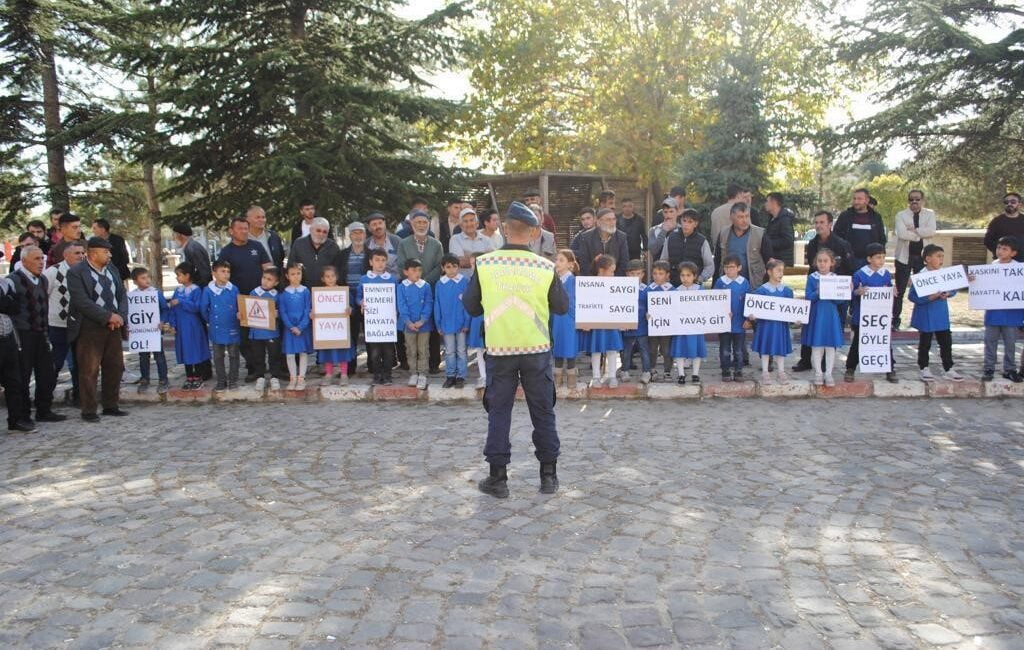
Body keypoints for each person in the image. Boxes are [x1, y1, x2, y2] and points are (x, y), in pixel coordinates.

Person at [463, 201, 567, 498]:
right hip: (536, 349)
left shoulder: (485, 264)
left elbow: (470, 307)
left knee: (499, 413)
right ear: (535, 232)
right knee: (543, 411)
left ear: (506, 229)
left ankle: (498, 479)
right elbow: (562, 307)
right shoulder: (546, 267)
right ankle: (549, 476)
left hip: (500, 349)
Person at [67, 236, 129, 422]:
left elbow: (122, 294)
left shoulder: (112, 269)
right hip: (89, 328)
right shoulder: (77, 272)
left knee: (115, 367)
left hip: (114, 326)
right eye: (105, 252)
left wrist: (120, 317)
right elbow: (81, 301)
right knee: (89, 370)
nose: (109, 254)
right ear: (93, 253)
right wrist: (107, 316)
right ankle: (89, 410)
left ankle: (111, 405)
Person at [7, 244, 66, 424]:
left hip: (41, 333)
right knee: (22, 377)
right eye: (36, 259)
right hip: (22, 335)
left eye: (42, 259)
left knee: (46, 374)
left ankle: (44, 410)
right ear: (24, 261)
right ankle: (22, 415)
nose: (41, 263)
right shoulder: (13, 280)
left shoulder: (42, 280)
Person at [794, 210, 854, 372]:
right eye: (816, 222)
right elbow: (811, 268)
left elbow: (850, 269)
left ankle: (826, 363)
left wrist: (846, 288)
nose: (819, 225)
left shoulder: (842, 244)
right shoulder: (812, 244)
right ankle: (805, 360)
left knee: (835, 326)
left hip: (837, 296)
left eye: (822, 222)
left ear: (830, 224)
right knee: (810, 325)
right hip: (816, 291)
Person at [216, 216, 273, 382]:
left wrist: (271, 286)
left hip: (260, 298)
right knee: (244, 337)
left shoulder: (257, 246)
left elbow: (268, 268)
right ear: (231, 231)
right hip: (239, 300)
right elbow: (223, 276)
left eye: (246, 228)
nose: (244, 231)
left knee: (263, 335)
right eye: (240, 229)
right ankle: (253, 367)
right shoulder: (226, 252)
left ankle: (268, 367)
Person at [396, 210, 444, 374]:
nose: (421, 225)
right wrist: (413, 279)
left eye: (424, 222)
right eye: (418, 222)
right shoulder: (404, 244)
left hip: (430, 289)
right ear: (412, 224)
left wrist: (423, 281)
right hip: (409, 290)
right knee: (409, 325)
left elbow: (440, 266)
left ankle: (433, 363)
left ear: (428, 224)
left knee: (431, 324)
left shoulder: (437, 244)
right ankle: (408, 364)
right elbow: (401, 264)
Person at [844, 243, 898, 384]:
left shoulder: (885, 274)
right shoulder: (859, 274)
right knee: (857, 344)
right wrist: (857, 292)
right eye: (878, 257)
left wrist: (893, 291)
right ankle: (850, 368)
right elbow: (851, 292)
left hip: (880, 318)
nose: (881, 260)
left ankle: (890, 368)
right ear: (869, 259)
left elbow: (889, 288)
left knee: (884, 343)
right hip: (862, 317)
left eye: (883, 257)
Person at [910, 244, 964, 383]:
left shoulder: (944, 274)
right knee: (925, 343)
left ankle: (948, 368)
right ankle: (924, 367)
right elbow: (912, 296)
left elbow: (953, 290)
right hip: (926, 315)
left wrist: (949, 293)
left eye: (942, 257)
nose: (941, 260)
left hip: (941, 315)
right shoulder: (920, 277)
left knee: (946, 342)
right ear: (928, 259)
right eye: (938, 256)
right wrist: (930, 297)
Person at [972, 236, 1023, 382]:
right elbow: (982, 287)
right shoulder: (991, 268)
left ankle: (1010, 369)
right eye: (999, 248)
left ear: (1013, 253)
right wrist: (974, 280)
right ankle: (989, 369)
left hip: (1012, 315)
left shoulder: (1019, 269)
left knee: (1010, 344)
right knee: (990, 342)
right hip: (993, 314)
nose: (1000, 251)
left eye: (1005, 249)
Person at [43, 239, 85, 404]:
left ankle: (79, 397)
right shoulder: (53, 272)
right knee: (55, 363)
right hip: (58, 326)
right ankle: (45, 400)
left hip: (79, 326)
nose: (81, 256)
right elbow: (42, 295)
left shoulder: (86, 271)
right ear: (65, 255)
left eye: (83, 253)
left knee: (79, 363)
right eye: (77, 253)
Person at [892, 189, 936, 329]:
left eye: (917, 199)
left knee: (923, 290)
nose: (914, 202)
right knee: (899, 290)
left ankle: (922, 321)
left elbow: (931, 231)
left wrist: (913, 230)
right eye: (911, 199)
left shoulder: (930, 214)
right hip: (904, 257)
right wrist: (919, 233)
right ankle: (895, 320)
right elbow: (901, 234)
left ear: (922, 200)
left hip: (923, 258)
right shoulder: (901, 215)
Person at [802, 250, 845, 387]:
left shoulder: (836, 278)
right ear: (816, 263)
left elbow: (839, 301)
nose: (822, 264)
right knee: (817, 345)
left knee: (830, 346)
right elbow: (808, 297)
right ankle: (818, 373)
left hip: (830, 315)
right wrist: (817, 292)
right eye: (819, 261)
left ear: (831, 263)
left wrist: (845, 291)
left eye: (825, 261)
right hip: (816, 314)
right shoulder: (812, 278)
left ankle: (829, 373)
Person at [747, 259, 794, 385]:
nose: (781, 273)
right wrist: (752, 315)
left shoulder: (786, 291)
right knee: (766, 347)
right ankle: (765, 372)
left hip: (780, 326)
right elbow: (755, 308)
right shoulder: (762, 290)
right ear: (769, 272)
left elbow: (792, 310)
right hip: (766, 325)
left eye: (782, 271)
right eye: (778, 270)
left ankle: (781, 371)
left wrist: (797, 318)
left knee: (781, 347)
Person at [582, 254, 625, 388]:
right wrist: (585, 322)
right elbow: (585, 304)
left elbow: (623, 304)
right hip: (596, 324)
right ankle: (595, 377)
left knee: (612, 350)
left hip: (612, 323)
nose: (613, 274)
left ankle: (612, 376)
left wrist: (625, 322)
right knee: (596, 350)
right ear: (601, 270)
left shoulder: (616, 285)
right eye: (611, 271)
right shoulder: (589, 284)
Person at [357, 248, 398, 385]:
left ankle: (387, 374)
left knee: (388, 350)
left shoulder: (392, 280)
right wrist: (361, 302)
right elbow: (358, 296)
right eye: (377, 260)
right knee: (374, 351)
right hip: (372, 322)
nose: (380, 263)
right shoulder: (364, 279)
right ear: (370, 262)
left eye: (383, 260)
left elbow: (396, 298)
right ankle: (376, 374)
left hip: (387, 322)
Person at [168, 262, 210, 390]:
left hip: (192, 326)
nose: (177, 278)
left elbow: (197, 307)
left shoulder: (196, 290)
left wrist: (181, 301)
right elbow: (172, 309)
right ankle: (189, 376)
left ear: (187, 275)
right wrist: (172, 324)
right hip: (181, 326)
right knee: (185, 350)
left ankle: (198, 376)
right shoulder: (178, 290)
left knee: (194, 350)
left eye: (179, 275)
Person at [1, 274, 35, 432]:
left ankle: (15, 420)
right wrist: (6, 301)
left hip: (7, 337)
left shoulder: (5, 284)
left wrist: (6, 301)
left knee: (13, 381)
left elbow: (15, 306)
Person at [202, 260, 241, 391]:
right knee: (218, 356)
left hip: (232, 326)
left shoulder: (234, 289)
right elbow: (203, 308)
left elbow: (239, 306)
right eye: (222, 271)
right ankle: (221, 380)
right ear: (214, 273)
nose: (226, 274)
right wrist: (211, 320)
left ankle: (233, 380)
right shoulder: (208, 291)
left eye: (228, 272)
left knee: (234, 355)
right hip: (216, 327)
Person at [129, 267, 170, 393]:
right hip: (141, 332)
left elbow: (165, 309)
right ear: (135, 281)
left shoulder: (155, 293)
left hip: (154, 330)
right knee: (143, 356)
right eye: (143, 278)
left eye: (148, 277)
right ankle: (145, 379)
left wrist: (162, 321)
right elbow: (130, 313)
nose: (147, 280)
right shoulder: (132, 296)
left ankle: (163, 379)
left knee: (159, 356)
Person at [714, 202, 774, 289]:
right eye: (740, 217)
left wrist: (768, 285)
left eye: (747, 216)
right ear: (732, 217)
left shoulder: (760, 234)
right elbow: (717, 260)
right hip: (727, 285)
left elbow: (769, 262)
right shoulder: (724, 233)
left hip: (754, 285)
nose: (745, 220)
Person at [397, 258, 433, 390]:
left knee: (423, 349)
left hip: (424, 325)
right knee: (411, 349)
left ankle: (423, 373)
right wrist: (408, 322)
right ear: (406, 272)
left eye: (419, 270)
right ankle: (413, 373)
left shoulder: (426, 286)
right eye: (413, 270)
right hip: (408, 325)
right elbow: (401, 305)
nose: (417, 273)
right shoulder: (401, 287)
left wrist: (422, 320)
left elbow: (429, 304)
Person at [434, 255, 470, 389]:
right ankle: (450, 376)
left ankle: (461, 376)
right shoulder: (440, 284)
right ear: (443, 268)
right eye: (448, 267)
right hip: (446, 323)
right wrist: (438, 323)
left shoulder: (464, 282)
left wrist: (466, 323)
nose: (452, 270)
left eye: (455, 266)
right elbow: (437, 304)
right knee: (449, 351)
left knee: (461, 350)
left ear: (459, 267)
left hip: (461, 323)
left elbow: (467, 303)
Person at [277, 261, 313, 390]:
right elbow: (283, 311)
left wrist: (301, 326)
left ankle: (301, 378)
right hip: (290, 328)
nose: (296, 276)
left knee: (303, 353)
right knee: (290, 353)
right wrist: (290, 326)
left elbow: (307, 309)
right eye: (293, 274)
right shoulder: (283, 293)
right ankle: (292, 378)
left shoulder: (305, 291)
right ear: (287, 276)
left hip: (303, 327)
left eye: (299, 273)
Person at [248, 267, 285, 391]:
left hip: (271, 332)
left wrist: (277, 314)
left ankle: (274, 376)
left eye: (269, 279)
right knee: (258, 356)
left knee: (274, 356)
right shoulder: (254, 293)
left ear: (276, 283)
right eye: (264, 278)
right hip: (257, 332)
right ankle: (260, 376)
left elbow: (282, 311)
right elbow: (248, 308)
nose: (265, 281)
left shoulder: (277, 296)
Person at [337, 221, 367, 377]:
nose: (358, 236)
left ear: (365, 234)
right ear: (350, 235)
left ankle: (374, 366)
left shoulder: (371, 253)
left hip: (367, 299)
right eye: (354, 233)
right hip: (348, 297)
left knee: (370, 333)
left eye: (360, 232)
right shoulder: (342, 254)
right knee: (351, 334)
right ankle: (350, 367)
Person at [670, 262, 707, 385]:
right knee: (679, 350)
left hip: (696, 326)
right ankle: (681, 374)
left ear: (694, 276)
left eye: (688, 275)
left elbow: (709, 307)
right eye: (682, 275)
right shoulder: (675, 291)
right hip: (680, 327)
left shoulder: (700, 290)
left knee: (697, 350)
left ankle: (695, 374)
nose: (685, 278)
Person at [316, 266, 354, 386]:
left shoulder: (343, 292)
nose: (330, 279)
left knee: (343, 349)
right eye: (327, 276)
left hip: (340, 328)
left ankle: (344, 374)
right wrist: (313, 314)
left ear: (336, 277)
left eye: (332, 276)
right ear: (323, 279)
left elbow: (351, 306)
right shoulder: (319, 294)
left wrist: (350, 310)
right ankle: (328, 374)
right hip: (327, 330)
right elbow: (315, 309)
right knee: (328, 349)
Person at [713, 255, 748, 382]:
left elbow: (748, 302)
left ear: (739, 268)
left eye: (732, 267)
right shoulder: (720, 282)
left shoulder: (744, 282)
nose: (729, 270)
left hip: (739, 323)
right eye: (726, 267)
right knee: (725, 349)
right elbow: (714, 300)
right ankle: (725, 370)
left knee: (738, 350)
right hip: (724, 324)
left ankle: (738, 370)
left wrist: (748, 320)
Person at [834, 188, 888, 271]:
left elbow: (881, 238)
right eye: (854, 199)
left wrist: (878, 256)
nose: (856, 202)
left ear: (867, 200)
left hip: (870, 262)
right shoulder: (845, 216)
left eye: (859, 199)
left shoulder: (876, 217)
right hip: (848, 261)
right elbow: (836, 236)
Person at [662, 208, 714, 286]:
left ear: (695, 224)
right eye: (684, 221)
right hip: (673, 284)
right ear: (681, 221)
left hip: (694, 285)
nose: (686, 224)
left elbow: (709, 265)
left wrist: (700, 278)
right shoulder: (671, 238)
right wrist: (666, 277)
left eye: (690, 222)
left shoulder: (702, 241)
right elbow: (663, 261)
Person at [551, 250, 580, 389]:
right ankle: (557, 377)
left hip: (568, 318)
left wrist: (574, 317)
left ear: (570, 264)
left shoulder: (572, 280)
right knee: (557, 346)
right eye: (557, 260)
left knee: (569, 347)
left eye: (561, 260)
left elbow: (573, 301)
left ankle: (571, 376)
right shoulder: (553, 279)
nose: (557, 262)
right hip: (556, 318)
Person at [287, 216, 341, 288]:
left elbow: (337, 270)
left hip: (325, 291)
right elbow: (291, 265)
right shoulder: (299, 244)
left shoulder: (333, 247)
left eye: (325, 232)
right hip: (303, 289)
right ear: (311, 229)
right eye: (318, 230)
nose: (321, 234)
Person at [620, 259, 650, 383]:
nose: (635, 276)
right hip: (627, 327)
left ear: (642, 274)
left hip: (642, 327)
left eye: (638, 273)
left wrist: (650, 314)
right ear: (627, 274)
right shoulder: (621, 290)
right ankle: (624, 370)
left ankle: (646, 372)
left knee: (644, 350)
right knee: (626, 351)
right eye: (632, 273)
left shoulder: (647, 290)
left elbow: (651, 307)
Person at [576, 208, 630, 276]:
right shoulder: (586, 237)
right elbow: (584, 263)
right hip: (593, 280)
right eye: (608, 220)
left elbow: (624, 263)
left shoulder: (621, 237)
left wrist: (613, 279)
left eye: (614, 219)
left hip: (615, 280)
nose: (612, 222)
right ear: (598, 222)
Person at [646, 261, 675, 382]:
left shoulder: (673, 290)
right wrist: (646, 314)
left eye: (661, 273)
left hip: (667, 327)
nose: (657, 276)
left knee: (666, 350)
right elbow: (644, 305)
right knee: (652, 349)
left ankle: (667, 371)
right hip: (652, 326)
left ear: (667, 275)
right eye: (655, 273)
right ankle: (652, 369)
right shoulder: (648, 289)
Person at [449, 206, 495, 276]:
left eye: (471, 220)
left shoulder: (486, 240)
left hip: (482, 280)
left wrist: (468, 257)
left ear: (477, 224)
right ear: (461, 226)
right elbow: (460, 262)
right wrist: (484, 257)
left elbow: (492, 260)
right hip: (464, 282)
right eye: (465, 221)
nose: (469, 224)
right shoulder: (455, 239)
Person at [983, 193, 1024, 262]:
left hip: (1022, 262)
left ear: (1019, 204)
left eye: (1013, 202)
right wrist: (1002, 252)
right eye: (1006, 202)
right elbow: (988, 241)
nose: (1009, 204)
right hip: (1002, 262)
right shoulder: (996, 221)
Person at [246, 205, 287, 273]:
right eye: (257, 217)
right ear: (248, 219)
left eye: (263, 217)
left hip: (274, 280)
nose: (261, 220)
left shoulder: (273, 237)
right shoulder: (241, 239)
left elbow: (281, 258)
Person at [763, 192, 795, 266]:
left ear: (774, 202)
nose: (765, 204)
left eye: (767, 201)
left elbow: (788, 240)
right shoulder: (772, 219)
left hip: (782, 262)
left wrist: (768, 243)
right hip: (774, 261)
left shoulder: (785, 219)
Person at [365, 212, 402, 276]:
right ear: (369, 228)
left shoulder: (397, 241)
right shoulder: (366, 245)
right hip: (374, 284)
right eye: (374, 224)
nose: (378, 226)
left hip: (395, 282)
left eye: (380, 223)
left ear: (385, 224)